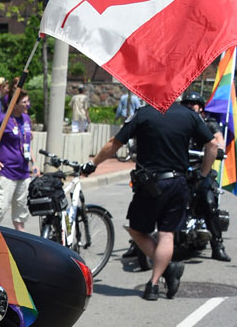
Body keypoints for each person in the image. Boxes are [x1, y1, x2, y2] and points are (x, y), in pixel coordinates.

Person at [84, 97, 220, 300]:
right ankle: (154, 285)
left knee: (136, 230)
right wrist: (203, 174)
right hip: (177, 183)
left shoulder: (143, 113)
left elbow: (115, 143)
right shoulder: (190, 115)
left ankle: (167, 269)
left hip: (150, 184)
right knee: (167, 234)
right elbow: (212, 145)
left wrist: (93, 164)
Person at [180, 91, 230, 262]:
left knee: (208, 200)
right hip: (180, 168)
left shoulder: (208, 124)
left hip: (202, 169)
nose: (189, 107)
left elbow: (217, 140)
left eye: (193, 104)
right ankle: (138, 243)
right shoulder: (179, 123)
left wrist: (219, 147)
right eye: (186, 104)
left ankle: (217, 245)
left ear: (201, 108)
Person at [0, 89, 36, 230]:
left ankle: (21, 245)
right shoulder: (3, 120)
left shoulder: (26, 119)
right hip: (6, 173)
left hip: (23, 173)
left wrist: (34, 163)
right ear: (14, 104)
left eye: (28, 101)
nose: (28, 104)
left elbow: (26, 143)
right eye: (24, 102)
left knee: (20, 215)